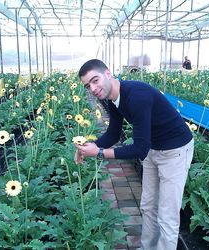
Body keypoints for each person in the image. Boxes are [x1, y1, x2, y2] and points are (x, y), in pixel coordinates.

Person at [74, 59, 194, 250]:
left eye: (95, 80)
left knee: (167, 214)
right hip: (153, 148)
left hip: (175, 151)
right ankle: (147, 247)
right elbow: (114, 133)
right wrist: (89, 146)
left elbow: (139, 149)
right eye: (88, 86)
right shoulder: (112, 99)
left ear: (107, 73)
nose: (93, 88)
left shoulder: (137, 95)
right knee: (148, 205)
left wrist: (100, 153)